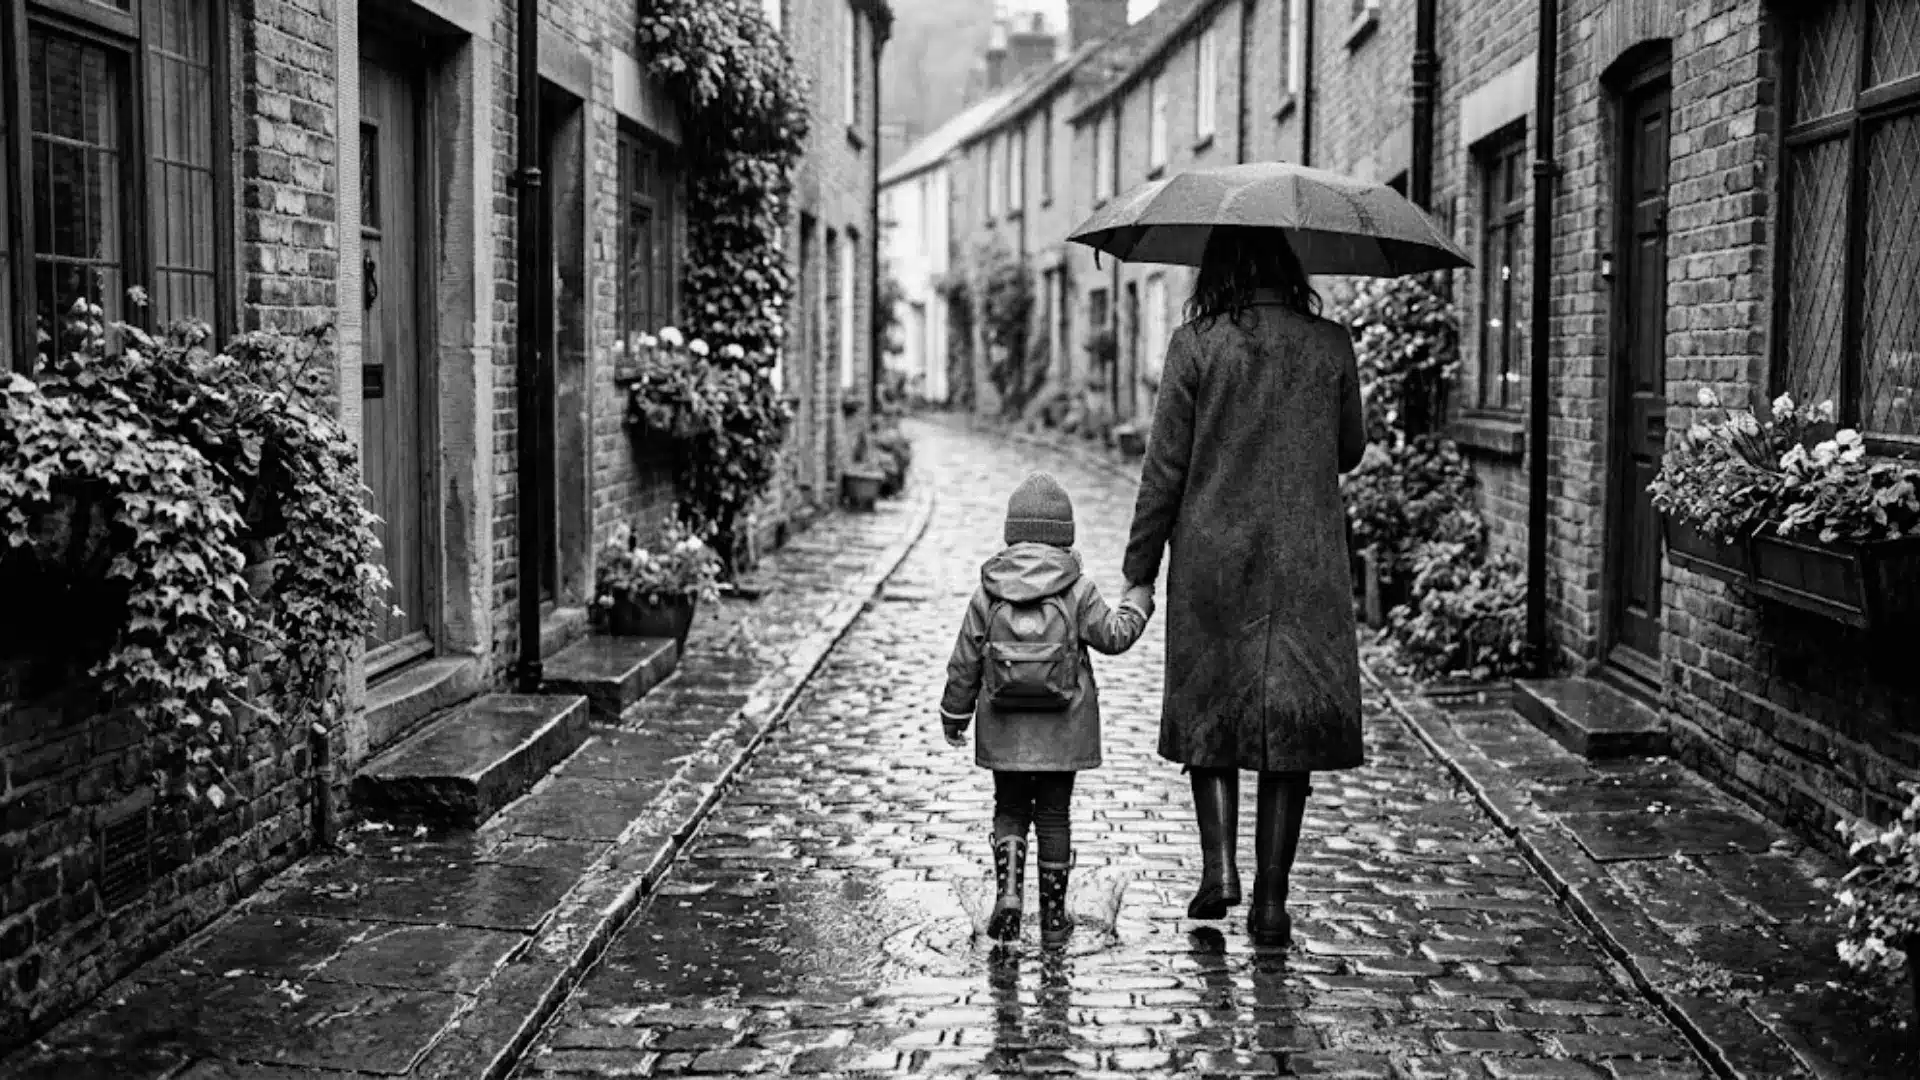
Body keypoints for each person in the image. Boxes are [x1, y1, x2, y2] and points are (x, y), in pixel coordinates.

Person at [1121, 225, 1369, 948]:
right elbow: (1349, 449)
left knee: (1211, 708)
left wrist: (1140, 571)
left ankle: (1217, 868)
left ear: (1219, 269)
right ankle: (1271, 902)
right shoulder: (1332, 345)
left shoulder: (1195, 346)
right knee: (1289, 729)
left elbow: (1163, 471)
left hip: (1212, 560)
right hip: (1305, 562)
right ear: (1288, 268)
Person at [940, 473, 1155, 947]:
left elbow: (966, 658)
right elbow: (1114, 637)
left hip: (1004, 728)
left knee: (1010, 808)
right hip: (1064, 729)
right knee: (1055, 815)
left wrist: (954, 717)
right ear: (1066, 533)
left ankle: (1010, 896)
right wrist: (1139, 600)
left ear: (1012, 530)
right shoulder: (1078, 589)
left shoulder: (989, 588)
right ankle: (1054, 921)